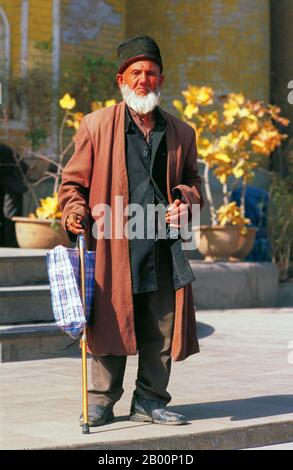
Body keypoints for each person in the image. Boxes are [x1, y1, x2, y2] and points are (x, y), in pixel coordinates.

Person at [58, 35, 204, 427]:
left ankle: (150, 401)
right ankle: (102, 400)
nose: (144, 80)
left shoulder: (181, 132)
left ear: (161, 78)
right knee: (110, 322)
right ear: (121, 79)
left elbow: (193, 180)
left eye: (151, 73)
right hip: (113, 242)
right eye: (135, 72)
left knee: (161, 325)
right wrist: (74, 212)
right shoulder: (96, 126)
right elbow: (72, 185)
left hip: (162, 244)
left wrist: (185, 200)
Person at [0, 143, 28, 247]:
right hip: (6, 184)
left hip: (12, 186)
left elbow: (23, 166)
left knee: (10, 218)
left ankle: (10, 245)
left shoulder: (4, 150)